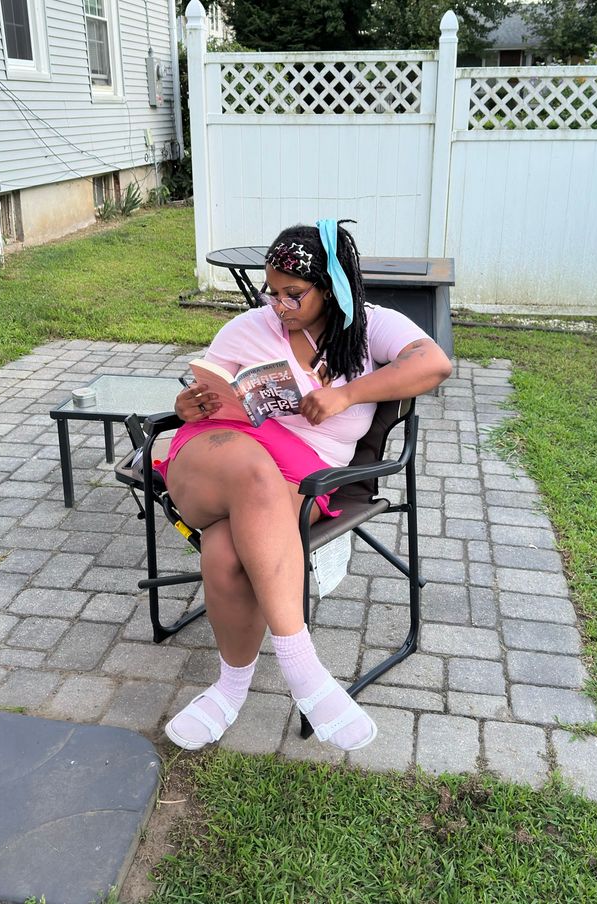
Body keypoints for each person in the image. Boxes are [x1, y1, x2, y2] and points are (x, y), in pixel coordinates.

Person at [160, 220, 452, 752]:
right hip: (214, 456)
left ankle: (229, 690)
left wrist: (346, 394)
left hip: (302, 474)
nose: (278, 306)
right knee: (252, 471)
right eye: (271, 292)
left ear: (331, 287)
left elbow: (434, 363)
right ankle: (304, 670)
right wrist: (186, 405)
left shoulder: (369, 327)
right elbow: (201, 387)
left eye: (292, 294)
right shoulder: (247, 329)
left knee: (225, 552)